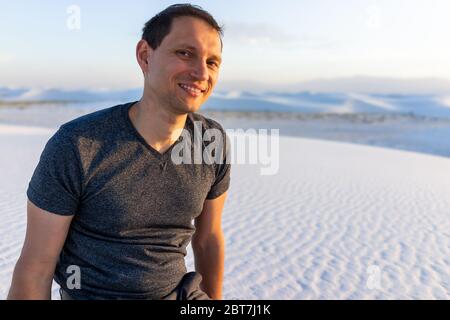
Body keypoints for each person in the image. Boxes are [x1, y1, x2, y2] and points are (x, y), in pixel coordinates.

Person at [7, 3, 230, 300]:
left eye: (212, 62)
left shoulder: (210, 140)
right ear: (145, 56)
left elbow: (208, 240)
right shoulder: (78, 145)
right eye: (185, 53)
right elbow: (36, 268)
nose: (201, 72)